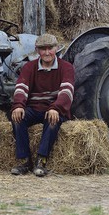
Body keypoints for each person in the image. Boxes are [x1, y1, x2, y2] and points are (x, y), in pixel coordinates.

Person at [10, 33, 75, 177]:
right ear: (37, 50)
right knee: (17, 117)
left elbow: (67, 92)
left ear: (56, 48)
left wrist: (55, 108)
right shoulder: (29, 67)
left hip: (55, 109)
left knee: (53, 120)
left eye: (50, 48)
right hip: (35, 108)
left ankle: (41, 161)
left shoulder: (66, 67)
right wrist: (19, 105)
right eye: (43, 49)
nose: (47, 52)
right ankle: (24, 161)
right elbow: (21, 88)